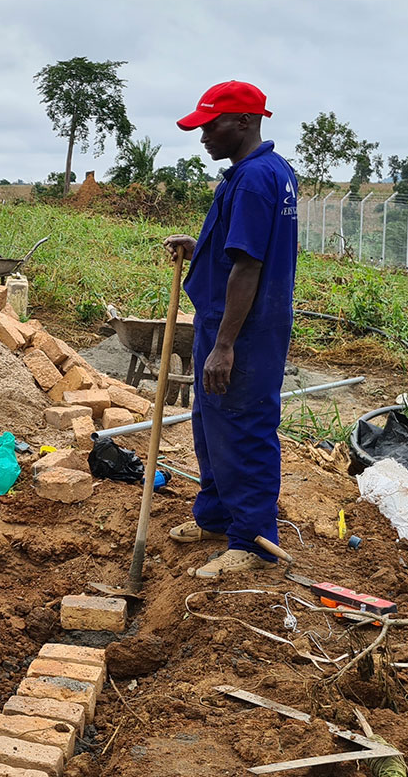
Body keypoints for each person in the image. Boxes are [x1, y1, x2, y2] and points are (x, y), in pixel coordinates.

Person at [164, 81, 298, 577]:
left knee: (245, 429)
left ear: (244, 121)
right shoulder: (265, 171)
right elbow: (244, 247)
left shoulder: (254, 180)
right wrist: (199, 246)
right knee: (212, 424)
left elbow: (248, 266)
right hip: (228, 322)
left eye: (210, 126)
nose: (202, 137)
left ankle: (253, 542)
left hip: (243, 332)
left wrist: (224, 346)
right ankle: (218, 518)